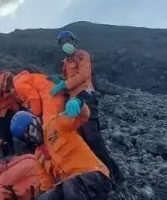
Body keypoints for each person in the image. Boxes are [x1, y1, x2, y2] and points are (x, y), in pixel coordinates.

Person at [9, 107, 113, 200]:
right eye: (25, 136)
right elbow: (46, 186)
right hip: (76, 191)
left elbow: (82, 116)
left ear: (35, 121)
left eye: (29, 130)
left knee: (71, 185)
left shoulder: (55, 124)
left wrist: (78, 103)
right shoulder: (39, 156)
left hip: (97, 179)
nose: (31, 137)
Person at [49, 30, 123, 186]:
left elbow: (83, 75)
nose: (65, 44)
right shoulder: (66, 62)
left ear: (74, 41)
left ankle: (111, 176)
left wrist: (64, 84)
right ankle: (108, 173)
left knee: (93, 138)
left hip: (86, 97)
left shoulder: (82, 55)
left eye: (68, 40)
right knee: (85, 139)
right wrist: (59, 81)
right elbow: (70, 80)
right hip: (74, 101)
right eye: (62, 42)